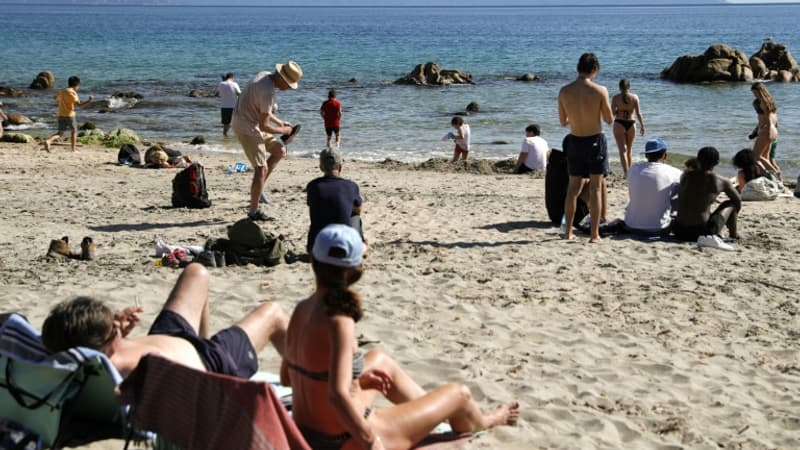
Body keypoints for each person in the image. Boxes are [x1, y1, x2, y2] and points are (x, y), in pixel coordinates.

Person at [281, 224, 519, 450]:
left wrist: (356, 381)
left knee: (379, 360)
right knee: (459, 394)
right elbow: (336, 395)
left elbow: (287, 378)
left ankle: (428, 414)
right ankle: (486, 421)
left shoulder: (302, 308)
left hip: (306, 430)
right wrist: (371, 441)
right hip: (344, 440)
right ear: (352, 269)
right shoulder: (339, 320)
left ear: (314, 261)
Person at [42, 263, 288, 379]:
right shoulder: (126, 373)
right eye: (113, 328)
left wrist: (118, 333)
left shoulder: (97, 359)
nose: (118, 325)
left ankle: (203, 336)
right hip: (212, 362)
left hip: (169, 336)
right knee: (273, 312)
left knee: (196, 272)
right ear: (106, 343)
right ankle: (315, 393)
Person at [232, 61, 303, 221]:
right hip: (246, 127)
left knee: (279, 151)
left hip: (250, 122)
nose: (290, 89)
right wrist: (284, 131)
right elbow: (264, 126)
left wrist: (280, 123)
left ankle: (259, 189)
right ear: (283, 79)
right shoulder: (268, 93)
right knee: (261, 168)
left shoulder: (264, 75)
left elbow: (262, 111)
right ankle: (253, 211)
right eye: (290, 85)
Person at [558, 53, 613, 242]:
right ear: (594, 70)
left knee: (572, 189)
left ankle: (568, 232)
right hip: (594, 141)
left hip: (574, 140)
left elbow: (563, 121)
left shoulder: (564, 91)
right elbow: (608, 119)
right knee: (596, 188)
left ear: (578, 68)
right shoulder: (600, 90)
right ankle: (594, 234)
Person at [673, 146, 741, 242]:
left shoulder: (685, 176)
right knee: (730, 204)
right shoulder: (721, 180)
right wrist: (729, 219)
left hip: (679, 230)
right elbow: (737, 201)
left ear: (698, 159)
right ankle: (733, 235)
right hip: (701, 232)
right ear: (717, 162)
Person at [306, 147, 364, 256]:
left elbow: (312, 205)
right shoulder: (351, 186)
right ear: (341, 167)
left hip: (315, 250)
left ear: (321, 167)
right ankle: (359, 246)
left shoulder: (313, 186)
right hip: (343, 249)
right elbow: (358, 210)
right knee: (355, 217)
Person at [623, 138, 682, 235]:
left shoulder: (633, 169)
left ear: (646, 155)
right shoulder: (674, 172)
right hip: (660, 228)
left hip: (631, 225)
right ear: (665, 155)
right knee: (678, 194)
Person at [43, 76, 93, 153]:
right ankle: (73, 149)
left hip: (60, 114)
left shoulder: (62, 91)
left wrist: (62, 100)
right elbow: (79, 105)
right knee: (74, 131)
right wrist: (89, 101)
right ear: (76, 85)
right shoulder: (73, 92)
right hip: (70, 115)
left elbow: (55, 97)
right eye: (78, 86)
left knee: (60, 133)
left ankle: (49, 141)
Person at [611, 79, 645, 176]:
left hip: (619, 123)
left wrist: (618, 111)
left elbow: (613, 113)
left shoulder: (615, 98)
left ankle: (626, 173)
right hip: (631, 123)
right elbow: (638, 113)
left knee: (622, 151)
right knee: (629, 150)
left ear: (619, 87)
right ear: (629, 87)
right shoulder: (635, 97)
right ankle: (631, 173)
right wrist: (642, 125)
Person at [749, 82, 780, 177]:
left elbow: (768, 118)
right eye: (753, 93)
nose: (754, 95)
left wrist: (768, 129)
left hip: (767, 130)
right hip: (773, 130)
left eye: (756, 93)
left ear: (761, 91)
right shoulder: (770, 101)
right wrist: (756, 131)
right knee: (765, 158)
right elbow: (775, 118)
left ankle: (775, 173)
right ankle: (774, 177)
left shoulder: (762, 102)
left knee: (755, 156)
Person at [218, 72, 241, 138]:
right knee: (237, 123)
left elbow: (220, 94)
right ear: (232, 78)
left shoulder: (221, 84)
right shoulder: (234, 84)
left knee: (226, 124)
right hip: (234, 106)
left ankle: (225, 137)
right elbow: (239, 94)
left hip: (224, 107)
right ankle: (238, 138)